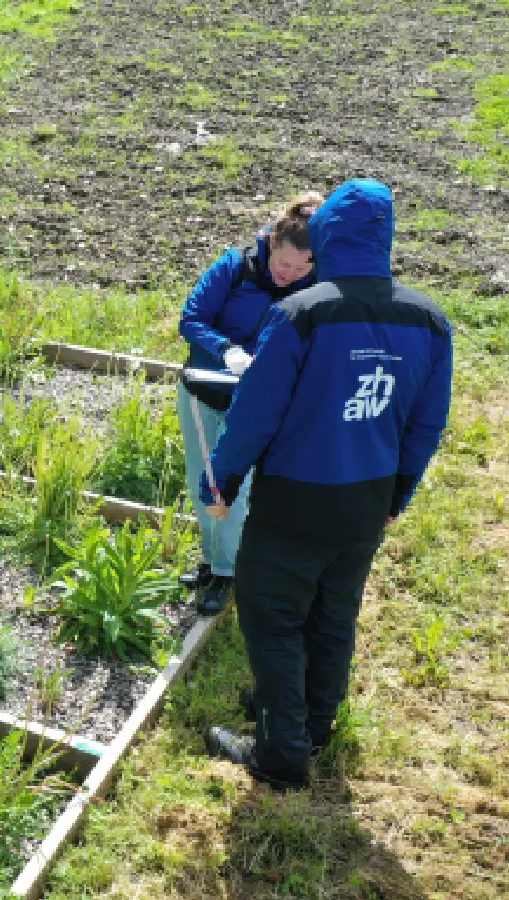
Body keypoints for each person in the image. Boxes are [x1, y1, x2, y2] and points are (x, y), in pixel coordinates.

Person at [200, 178, 454, 791]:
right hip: (365, 499)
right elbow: (425, 425)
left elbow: (255, 414)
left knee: (273, 616)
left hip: (296, 496)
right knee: (333, 614)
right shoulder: (429, 321)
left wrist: (222, 481)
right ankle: (312, 724)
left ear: (328, 237)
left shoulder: (302, 315)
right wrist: (398, 496)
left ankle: (281, 752)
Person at [177, 191, 325, 615]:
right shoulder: (235, 266)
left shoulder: (314, 289)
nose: (288, 275)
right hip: (205, 390)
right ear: (271, 242)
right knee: (202, 481)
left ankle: (231, 573)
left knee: (239, 494)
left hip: (262, 407)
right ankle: (212, 561)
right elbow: (191, 318)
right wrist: (226, 350)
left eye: (301, 269)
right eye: (284, 264)